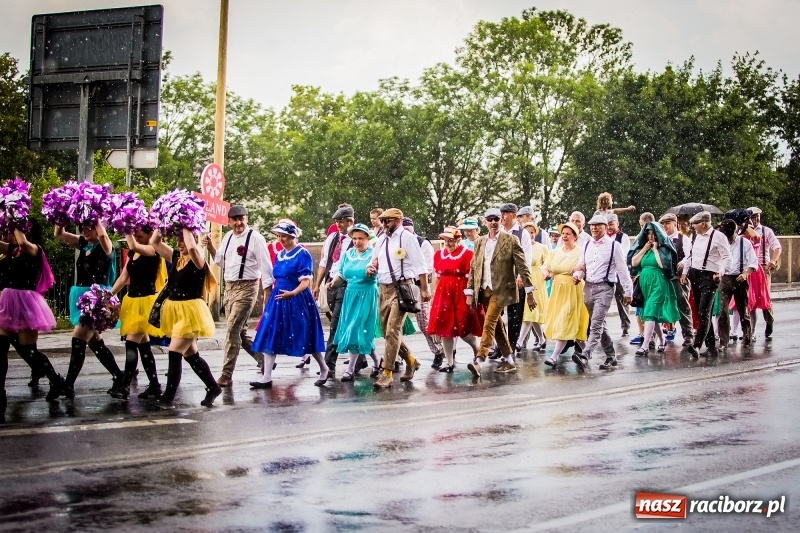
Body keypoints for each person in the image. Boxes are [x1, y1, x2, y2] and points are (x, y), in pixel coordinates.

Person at [149, 228, 222, 408]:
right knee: (191, 355)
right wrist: (162, 223)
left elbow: (194, 249)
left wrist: (187, 226)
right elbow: (154, 243)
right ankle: (213, 387)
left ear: (192, 239)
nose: (180, 243)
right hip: (175, 311)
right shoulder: (176, 257)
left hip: (190, 313)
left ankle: (168, 397)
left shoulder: (198, 260)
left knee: (175, 352)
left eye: (183, 240)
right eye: (178, 240)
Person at [251, 221, 329, 388]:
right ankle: (266, 377)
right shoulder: (280, 254)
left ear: (293, 236)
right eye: (279, 236)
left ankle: (324, 368)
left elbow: (306, 281)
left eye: (284, 236)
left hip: (297, 299)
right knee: (270, 333)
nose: (281, 239)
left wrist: (292, 293)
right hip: (278, 299)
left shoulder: (302, 254)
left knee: (306, 335)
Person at [204, 205, 274, 388]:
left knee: (232, 329)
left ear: (247, 219)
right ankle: (264, 360)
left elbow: (266, 266)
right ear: (229, 222)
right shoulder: (227, 238)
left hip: (248, 287)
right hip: (230, 287)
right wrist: (211, 246)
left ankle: (226, 374)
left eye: (241, 218)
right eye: (235, 219)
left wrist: (267, 292)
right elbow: (220, 260)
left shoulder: (256, 238)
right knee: (240, 333)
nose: (238, 222)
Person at [54, 221, 123, 399]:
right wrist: (59, 217)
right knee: (95, 343)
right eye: (82, 226)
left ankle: (68, 385)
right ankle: (120, 376)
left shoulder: (106, 246)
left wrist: (95, 214)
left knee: (78, 340)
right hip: (82, 298)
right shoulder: (84, 244)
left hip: (96, 300)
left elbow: (103, 235)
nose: (84, 230)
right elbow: (59, 234)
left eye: (88, 227)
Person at [464, 208, 535, 377]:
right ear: (485, 222)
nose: (494, 222)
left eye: (496, 218)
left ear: (501, 220)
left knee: (488, 323)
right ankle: (509, 360)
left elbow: (522, 266)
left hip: (501, 290)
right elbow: (474, 268)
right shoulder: (479, 242)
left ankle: (479, 360)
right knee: (497, 327)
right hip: (484, 290)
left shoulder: (511, 239)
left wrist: (530, 291)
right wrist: (469, 292)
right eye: (490, 219)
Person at [0, 222, 61, 416]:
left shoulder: (34, 249)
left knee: (29, 351)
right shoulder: (13, 250)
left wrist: (14, 219)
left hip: (26, 304)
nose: (10, 233)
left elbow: (24, 243)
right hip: (8, 303)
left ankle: (56, 380)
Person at [367, 208, 431, 389]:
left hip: (402, 288)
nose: (384, 224)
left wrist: (425, 289)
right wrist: (371, 267)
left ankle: (387, 372)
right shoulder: (380, 240)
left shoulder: (407, 239)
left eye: (388, 221)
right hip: (383, 289)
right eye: (383, 221)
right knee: (387, 331)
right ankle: (411, 360)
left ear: (398, 221)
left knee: (392, 331)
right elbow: (374, 261)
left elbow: (421, 265)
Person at [109, 227, 167, 400]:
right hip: (132, 301)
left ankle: (124, 385)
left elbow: (133, 244)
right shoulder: (133, 254)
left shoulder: (152, 250)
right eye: (134, 232)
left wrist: (124, 223)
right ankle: (155, 386)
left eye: (140, 232)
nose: (136, 234)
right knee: (144, 346)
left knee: (131, 343)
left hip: (145, 303)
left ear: (151, 234)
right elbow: (122, 278)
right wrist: (109, 295)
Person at [572, 214, 633, 371]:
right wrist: (578, 275)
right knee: (599, 324)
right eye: (592, 225)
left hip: (605, 288)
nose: (594, 228)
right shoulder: (587, 245)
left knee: (596, 324)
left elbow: (622, 270)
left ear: (606, 227)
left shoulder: (614, 246)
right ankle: (611, 357)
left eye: (598, 225)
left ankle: (585, 354)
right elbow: (582, 265)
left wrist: (628, 291)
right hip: (588, 287)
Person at [328, 224, 380, 381]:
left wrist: (372, 272)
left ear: (367, 239)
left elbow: (376, 274)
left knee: (356, 329)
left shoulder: (373, 254)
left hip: (367, 294)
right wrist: (332, 284)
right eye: (354, 238)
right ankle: (377, 361)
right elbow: (342, 275)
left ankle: (350, 369)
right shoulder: (348, 254)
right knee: (357, 331)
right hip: (351, 295)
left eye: (360, 239)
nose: (357, 242)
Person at [427, 226, 481, 372]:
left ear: (458, 239)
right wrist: (434, 295)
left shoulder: (467, 254)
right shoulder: (439, 254)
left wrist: (470, 295)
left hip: (460, 292)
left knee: (463, 327)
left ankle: (477, 350)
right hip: (443, 293)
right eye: (445, 240)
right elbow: (438, 277)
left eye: (451, 240)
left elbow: (472, 277)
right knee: (445, 328)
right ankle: (449, 362)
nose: (448, 244)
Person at [681, 211, 731, 358]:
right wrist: (685, 271)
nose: (693, 227)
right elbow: (691, 256)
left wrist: (721, 271)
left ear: (703, 223)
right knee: (702, 312)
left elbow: (728, 258)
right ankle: (711, 347)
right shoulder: (696, 236)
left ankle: (696, 345)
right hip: (695, 275)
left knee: (704, 312)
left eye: (694, 224)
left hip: (710, 276)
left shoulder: (718, 237)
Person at [312, 205, 354, 377]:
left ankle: (329, 364)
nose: (339, 225)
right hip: (331, 284)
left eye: (342, 222)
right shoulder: (332, 238)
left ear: (351, 221)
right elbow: (324, 262)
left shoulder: (357, 238)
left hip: (347, 285)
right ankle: (361, 359)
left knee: (335, 325)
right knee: (342, 323)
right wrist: (317, 285)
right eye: (337, 221)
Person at [628, 222, 680, 357]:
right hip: (645, 284)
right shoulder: (644, 248)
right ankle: (662, 339)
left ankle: (645, 345)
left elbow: (663, 264)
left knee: (650, 312)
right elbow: (634, 262)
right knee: (650, 314)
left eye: (653, 234)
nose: (651, 236)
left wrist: (656, 249)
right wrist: (645, 249)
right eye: (648, 234)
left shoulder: (664, 248)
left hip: (659, 283)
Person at [541, 222, 589, 367]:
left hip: (573, 289)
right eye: (563, 233)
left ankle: (554, 357)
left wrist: (578, 274)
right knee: (570, 325)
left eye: (568, 234)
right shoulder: (555, 251)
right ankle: (586, 353)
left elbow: (584, 268)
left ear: (575, 236)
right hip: (557, 290)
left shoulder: (581, 251)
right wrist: (546, 273)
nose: (564, 236)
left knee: (565, 321)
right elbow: (545, 266)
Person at [402, 216, 445, 368]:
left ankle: (438, 350)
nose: (406, 231)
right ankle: (399, 355)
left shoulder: (422, 243)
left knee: (424, 322)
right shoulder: (397, 242)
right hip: (400, 286)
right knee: (394, 325)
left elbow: (427, 267)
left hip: (418, 285)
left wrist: (419, 283)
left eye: (408, 228)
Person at [498, 203, 533, 360]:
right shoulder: (498, 232)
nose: (502, 217)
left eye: (505, 213)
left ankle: (510, 348)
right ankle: (501, 345)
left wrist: (521, 276)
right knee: (496, 314)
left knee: (514, 316)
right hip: (499, 280)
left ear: (513, 215)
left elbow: (526, 257)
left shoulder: (522, 233)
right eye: (501, 213)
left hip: (515, 279)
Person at [716, 218, 757, 348]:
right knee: (722, 311)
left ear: (736, 231)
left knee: (742, 310)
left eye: (730, 235)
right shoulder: (720, 242)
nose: (728, 239)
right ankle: (723, 341)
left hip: (740, 279)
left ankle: (747, 336)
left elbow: (753, 262)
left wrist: (746, 274)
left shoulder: (745, 243)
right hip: (725, 278)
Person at [659, 213, 694, 346]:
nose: (665, 226)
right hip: (664, 277)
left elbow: (689, 256)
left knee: (683, 306)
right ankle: (660, 334)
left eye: (667, 223)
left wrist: (684, 270)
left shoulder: (682, 238)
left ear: (675, 224)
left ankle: (688, 335)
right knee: (661, 305)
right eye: (663, 224)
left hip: (678, 277)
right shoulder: (661, 240)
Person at [748, 207, 781, 339]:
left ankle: (769, 320)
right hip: (749, 268)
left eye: (757, 216)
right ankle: (751, 331)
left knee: (764, 298)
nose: (755, 219)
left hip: (762, 267)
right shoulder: (744, 232)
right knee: (750, 298)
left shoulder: (766, 231)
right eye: (752, 217)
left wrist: (772, 261)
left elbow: (777, 247)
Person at [518, 222, 550, 351]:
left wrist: (545, 270)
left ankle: (519, 342)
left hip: (536, 280)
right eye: (527, 232)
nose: (530, 235)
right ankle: (542, 339)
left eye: (532, 232)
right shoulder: (520, 247)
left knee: (531, 311)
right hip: (523, 278)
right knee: (532, 312)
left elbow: (549, 262)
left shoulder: (542, 247)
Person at [606, 213, 632, 336]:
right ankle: (601, 327)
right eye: (607, 225)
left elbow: (623, 254)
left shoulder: (623, 237)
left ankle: (625, 326)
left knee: (622, 301)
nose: (609, 227)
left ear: (617, 223)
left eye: (611, 224)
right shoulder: (603, 237)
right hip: (606, 275)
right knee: (602, 302)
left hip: (619, 274)